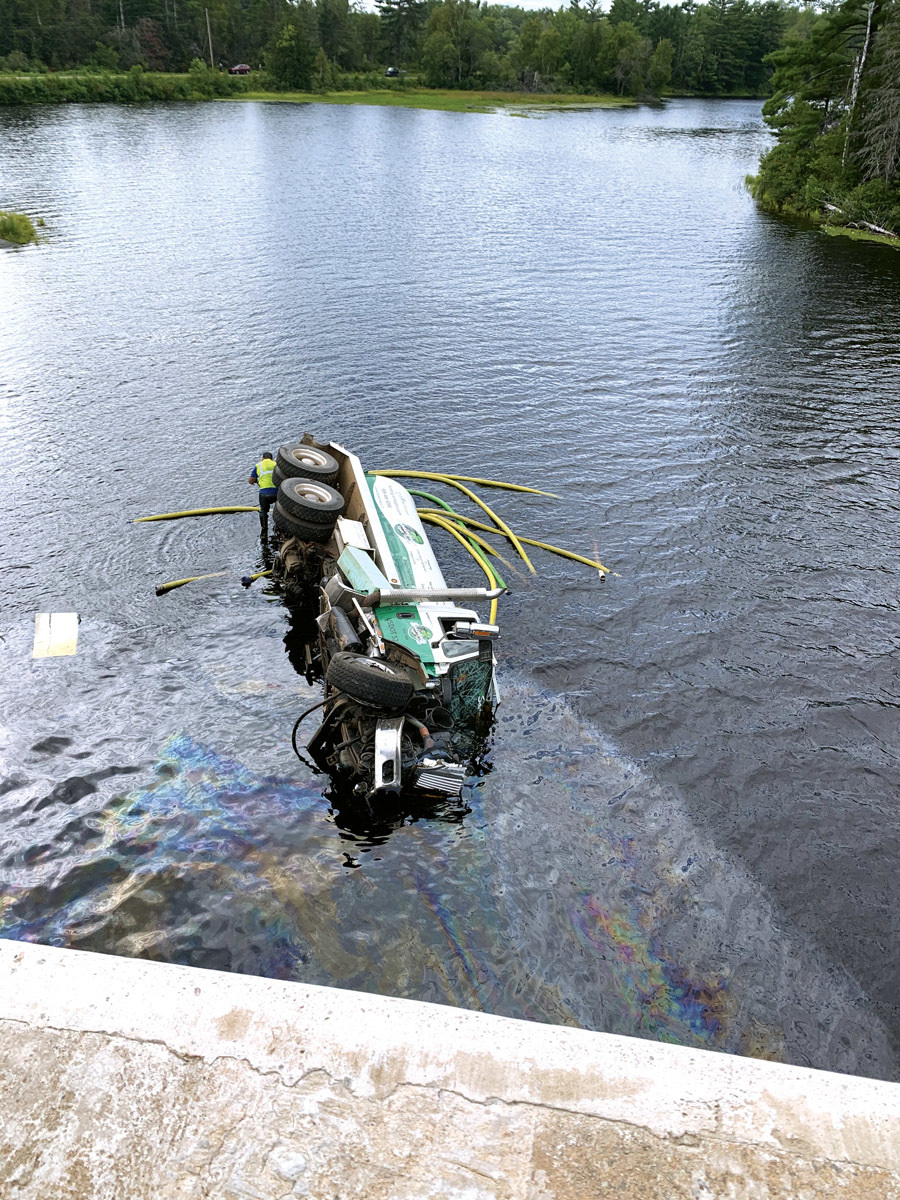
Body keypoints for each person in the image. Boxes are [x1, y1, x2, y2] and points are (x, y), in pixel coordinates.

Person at [248, 452, 278, 537]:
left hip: (264, 493)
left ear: (262, 458)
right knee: (280, 508)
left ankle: (264, 529)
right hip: (277, 492)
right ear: (272, 459)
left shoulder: (258, 465)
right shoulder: (276, 465)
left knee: (263, 510)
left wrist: (256, 480)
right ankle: (278, 525)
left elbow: (250, 481)